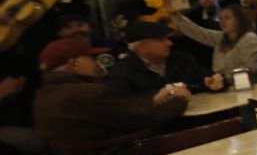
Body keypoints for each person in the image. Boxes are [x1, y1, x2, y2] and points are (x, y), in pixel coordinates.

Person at [33, 38, 187, 145]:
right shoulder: (88, 93)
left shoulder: (43, 96)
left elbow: (121, 112)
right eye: (91, 59)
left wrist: (153, 100)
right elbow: (144, 119)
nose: (96, 64)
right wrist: (180, 99)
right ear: (74, 64)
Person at [106, 20, 224, 95]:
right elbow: (122, 109)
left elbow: (208, 76)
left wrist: (215, 81)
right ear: (142, 47)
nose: (170, 43)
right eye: (161, 40)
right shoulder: (122, 73)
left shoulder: (182, 59)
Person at [171, 4, 257, 81]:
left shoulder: (250, 38)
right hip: (224, 86)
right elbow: (197, 32)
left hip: (249, 84)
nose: (222, 22)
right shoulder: (219, 38)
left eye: (227, 18)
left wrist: (222, 79)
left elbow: (252, 68)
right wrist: (175, 16)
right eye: (220, 18)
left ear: (239, 20)